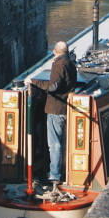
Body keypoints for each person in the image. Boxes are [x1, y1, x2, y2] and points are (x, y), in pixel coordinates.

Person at [23, 41, 77, 187]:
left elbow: (53, 86)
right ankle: (59, 171)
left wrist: (33, 82)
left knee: (54, 144)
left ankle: (54, 175)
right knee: (60, 142)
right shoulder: (70, 63)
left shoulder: (58, 65)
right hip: (64, 107)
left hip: (55, 109)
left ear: (54, 52)